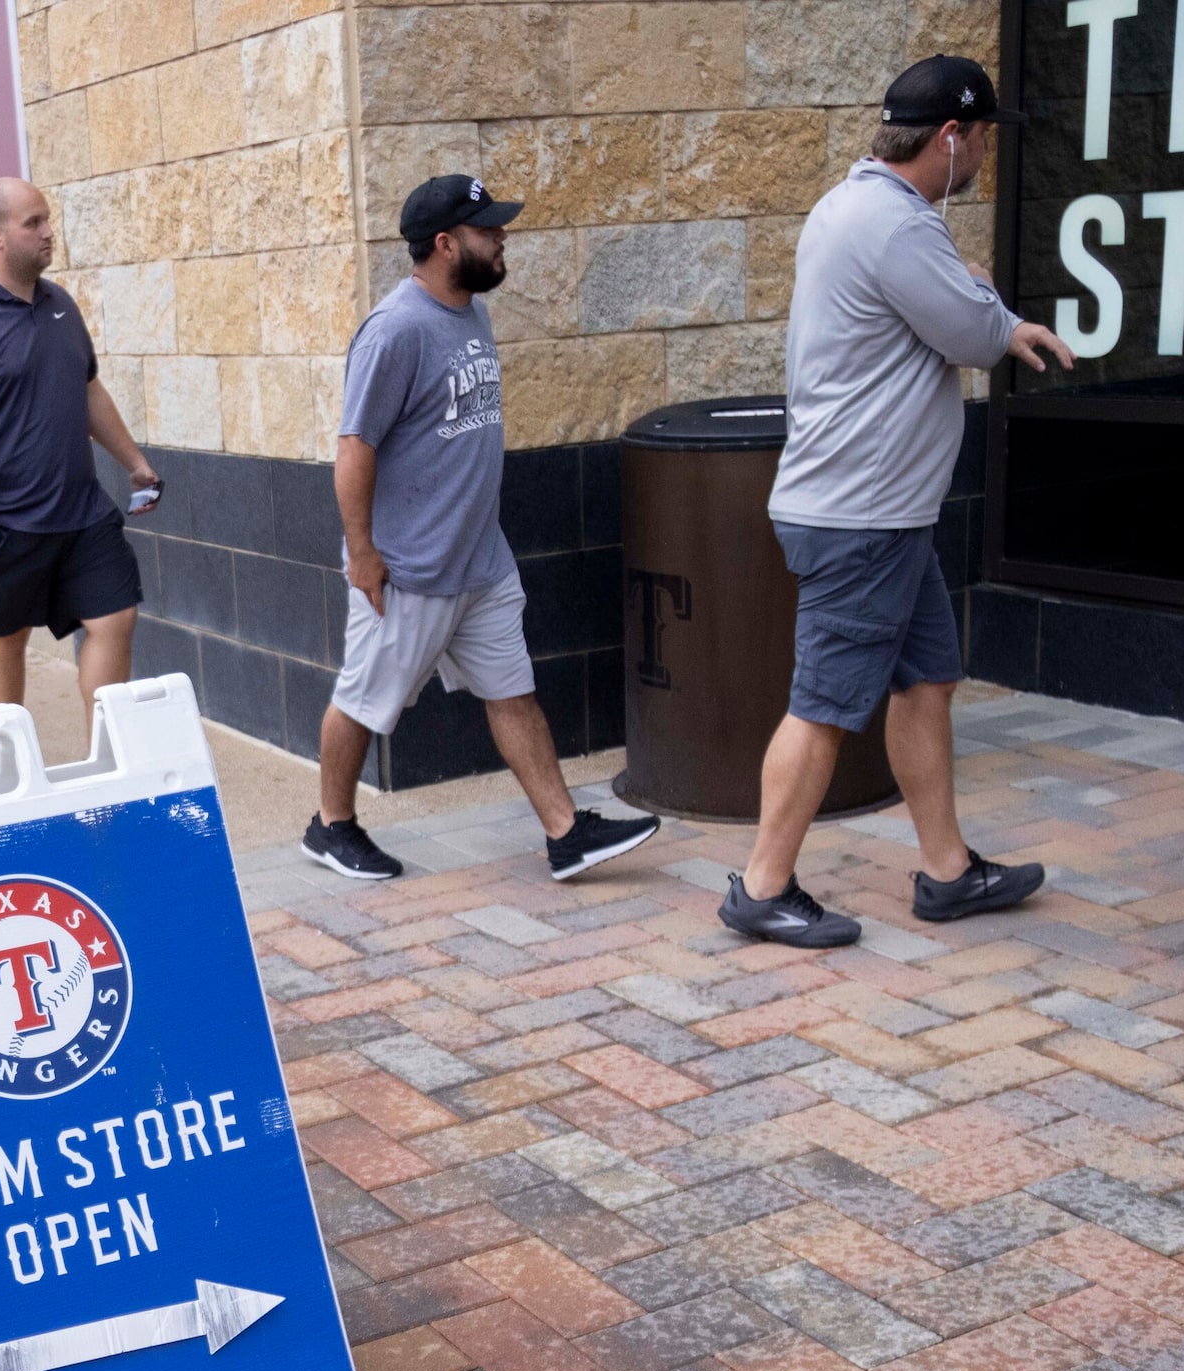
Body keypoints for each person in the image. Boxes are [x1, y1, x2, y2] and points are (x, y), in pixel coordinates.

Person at [721, 56, 1074, 949]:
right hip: (861, 516)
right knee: (825, 707)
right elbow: (968, 328)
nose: (987, 153)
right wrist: (987, 296)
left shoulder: (852, 205)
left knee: (925, 681)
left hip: (881, 514)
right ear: (949, 137)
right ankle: (761, 887)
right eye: (984, 136)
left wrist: (970, 290)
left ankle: (949, 873)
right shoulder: (896, 225)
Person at [302, 177, 660, 885]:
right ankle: (331, 826)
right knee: (364, 701)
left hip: (480, 562)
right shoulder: (396, 330)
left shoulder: (469, 314)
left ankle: (565, 834)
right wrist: (365, 556)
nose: (502, 240)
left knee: (513, 692)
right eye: (487, 231)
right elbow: (354, 448)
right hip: (409, 567)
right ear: (444, 244)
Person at [0, 178, 154, 730]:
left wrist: (135, 462)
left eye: (47, 219)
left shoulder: (58, 304)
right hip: (5, 520)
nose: (49, 232)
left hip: (80, 511)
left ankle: (108, 753)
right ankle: (11, 767)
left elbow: (88, 389)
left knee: (115, 618)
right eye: (34, 223)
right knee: (5, 642)